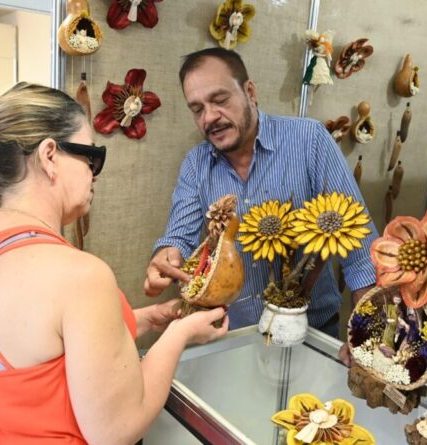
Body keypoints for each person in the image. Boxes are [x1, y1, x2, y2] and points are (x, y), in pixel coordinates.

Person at [0, 82, 228, 444]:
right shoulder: (81, 276)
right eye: (90, 157)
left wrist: (147, 319)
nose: (94, 174)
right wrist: (179, 335)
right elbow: (116, 430)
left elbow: (38, 352)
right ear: (50, 156)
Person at [144, 48, 378, 338]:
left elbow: (360, 248)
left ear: (250, 92)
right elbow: (179, 236)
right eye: (197, 109)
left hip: (311, 330)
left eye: (219, 100)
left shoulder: (310, 141)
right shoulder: (196, 164)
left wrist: (366, 334)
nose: (210, 118)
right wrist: (166, 256)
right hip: (233, 335)